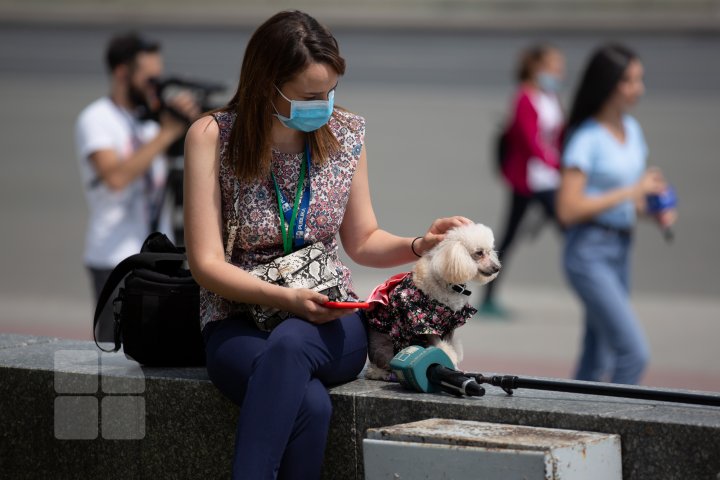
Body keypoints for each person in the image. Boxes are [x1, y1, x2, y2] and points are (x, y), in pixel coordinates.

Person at [183, 10, 472, 479]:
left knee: (292, 344)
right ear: (266, 85)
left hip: (328, 318)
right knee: (311, 405)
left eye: (331, 92)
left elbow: (362, 241)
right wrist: (283, 298)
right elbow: (206, 264)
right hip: (237, 320)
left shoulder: (346, 133)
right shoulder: (213, 136)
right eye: (311, 96)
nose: (325, 105)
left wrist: (422, 244)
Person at [556, 44, 677, 385]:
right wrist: (631, 191)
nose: (638, 88)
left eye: (640, 79)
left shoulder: (632, 130)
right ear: (607, 83)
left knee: (598, 356)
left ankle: (570, 421)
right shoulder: (586, 138)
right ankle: (620, 425)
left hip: (621, 247)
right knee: (633, 353)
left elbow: (627, 200)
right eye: (629, 80)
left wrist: (653, 209)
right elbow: (568, 209)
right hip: (588, 252)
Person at [75, 32, 200, 340]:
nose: (155, 87)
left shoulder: (150, 122)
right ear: (122, 73)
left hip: (157, 253)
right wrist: (167, 133)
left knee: (156, 344)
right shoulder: (97, 118)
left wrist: (193, 123)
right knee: (113, 347)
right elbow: (115, 177)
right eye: (150, 79)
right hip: (113, 257)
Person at [479, 44, 566, 318]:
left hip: (549, 179)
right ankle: (489, 297)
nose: (559, 72)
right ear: (537, 67)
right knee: (566, 232)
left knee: (517, 235)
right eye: (554, 67)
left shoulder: (549, 96)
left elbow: (557, 135)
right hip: (530, 181)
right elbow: (530, 141)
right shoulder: (524, 98)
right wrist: (557, 164)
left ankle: (489, 295)